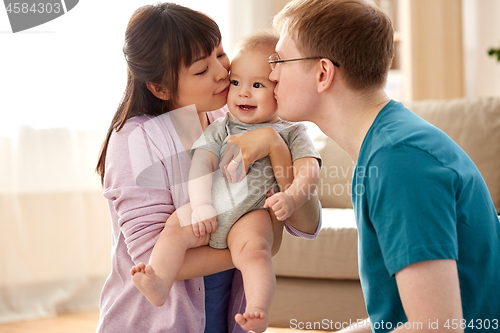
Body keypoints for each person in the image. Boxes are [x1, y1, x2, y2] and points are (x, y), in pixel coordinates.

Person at [269, 0, 500, 332]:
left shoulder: (399, 160)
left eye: (280, 60)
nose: (271, 73)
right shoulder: (385, 145)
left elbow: (438, 327)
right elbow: (399, 320)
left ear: (323, 73)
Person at [95, 3, 322, 333]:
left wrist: (275, 145)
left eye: (220, 53)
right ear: (159, 88)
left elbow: (307, 223)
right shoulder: (135, 141)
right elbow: (152, 256)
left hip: (228, 314)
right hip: (158, 324)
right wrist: (253, 249)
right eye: (201, 70)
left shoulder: (231, 119)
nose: (221, 73)